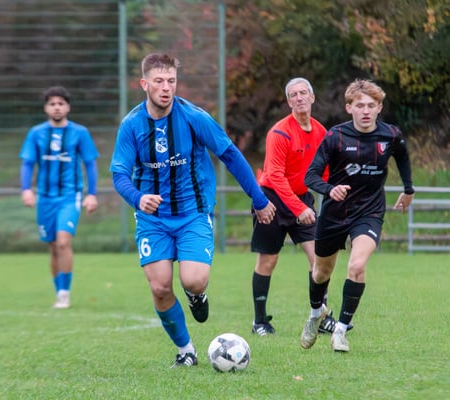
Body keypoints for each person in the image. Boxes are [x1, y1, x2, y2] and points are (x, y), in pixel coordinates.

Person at [110, 53, 276, 367]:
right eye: (159, 81)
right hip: (152, 219)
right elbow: (119, 173)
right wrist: (138, 198)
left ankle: (196, 295)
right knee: (160, 287)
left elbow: (230, 155)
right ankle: (186, 350)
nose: (166, 87)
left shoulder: (193, 117)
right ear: (144, 84)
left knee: (194, 280)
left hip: (193, 213)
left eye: (171, 81)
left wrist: (259, 199)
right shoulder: (131, 125)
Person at [300, 79, 414, 352]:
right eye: (360, 105)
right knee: (320, 272)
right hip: (335, 212)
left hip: (369, 212)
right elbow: (310, 176)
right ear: (349, 107)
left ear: (379, 108)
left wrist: (408, 189)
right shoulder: (335, 136)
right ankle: (316, 314)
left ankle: (341, 330)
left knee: (357, 265)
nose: (366, 111)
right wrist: (330, 189)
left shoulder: (390, 135)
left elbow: (402, 156)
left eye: (371, 106)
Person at [250, 77, 338, 336]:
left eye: (303, 93)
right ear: (288, 102)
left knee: (319, 259)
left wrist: (338, 192)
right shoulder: (279, 132)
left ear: (312, 97)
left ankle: (320, 317)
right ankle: (260, 322)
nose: (299, 98)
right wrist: (298, 209)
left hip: (301, 198)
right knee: (268, 260)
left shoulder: (322, 133)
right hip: (271, 200)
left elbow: (325, 173)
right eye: (293, 95)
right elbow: (275, 176)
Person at [19, 85, 99, 309]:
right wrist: (26, 189)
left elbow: (90, 164)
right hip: (45, 197)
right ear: (46, 108)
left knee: (63, 242)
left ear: (68, 107)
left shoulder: (80, 133)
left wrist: (92, 194)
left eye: (61, 103)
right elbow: (28, 163)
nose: (57, 107)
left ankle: (64, 293)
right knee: (54, 246)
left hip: (69, 196)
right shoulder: (36, 133)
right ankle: (59, 290)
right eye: (52, 104)